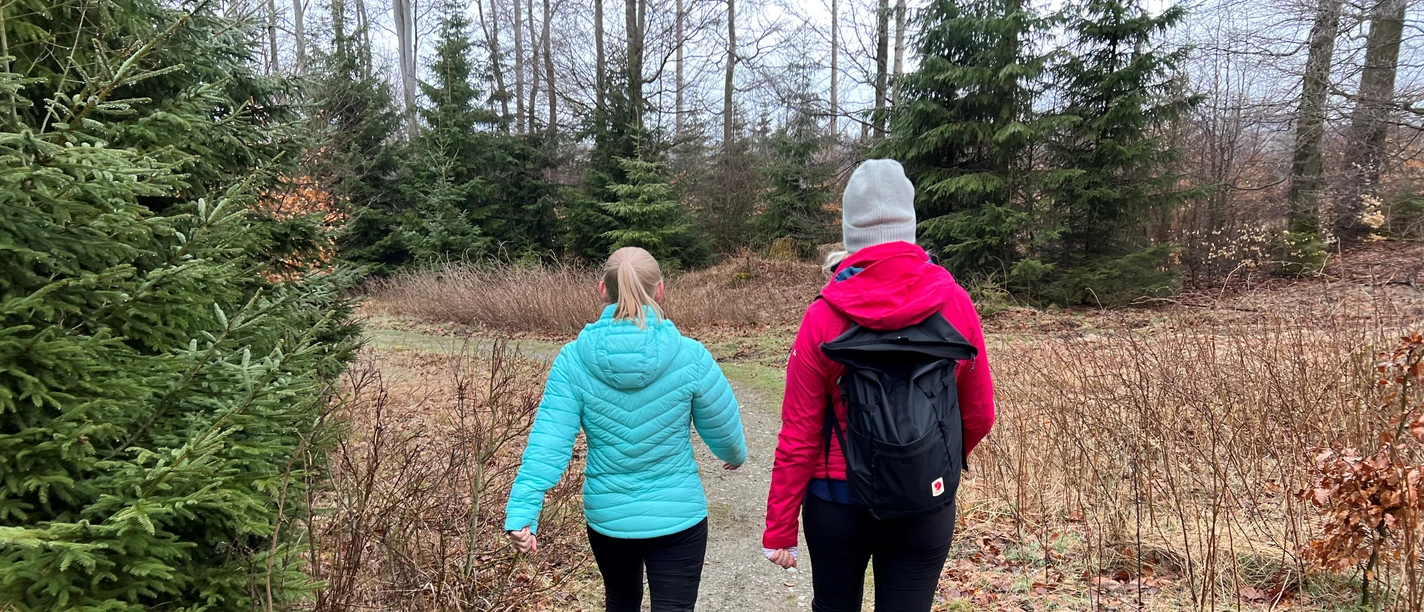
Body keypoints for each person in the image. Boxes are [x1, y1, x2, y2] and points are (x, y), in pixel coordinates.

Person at [761, 159, 996, 612]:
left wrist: (780, 527)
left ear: (850, 232)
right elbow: (980, 413)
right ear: (910, 225)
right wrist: (928, 457)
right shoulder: (955, 303)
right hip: (923, 499)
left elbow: (800, 432)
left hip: (837, 500)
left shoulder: (822, 316)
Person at [504, 246, 747, 612]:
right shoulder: (690, 355)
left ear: (602, 289)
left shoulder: (573, 360)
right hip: (678, 514)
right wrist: (733, 454)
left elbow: (548, 442)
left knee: (620, 600)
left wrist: (523, 511)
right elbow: (725, 429)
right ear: (660, 291)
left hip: (608, 517)